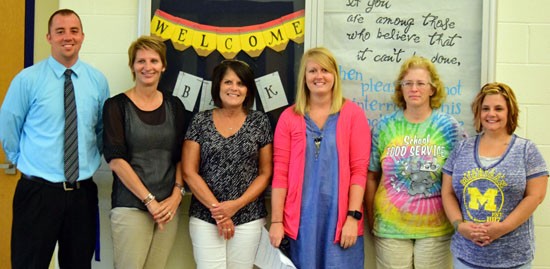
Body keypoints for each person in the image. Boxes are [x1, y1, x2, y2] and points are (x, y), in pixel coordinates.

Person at [0, 9, 109, 269]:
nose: (67, 37)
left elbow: (102, 130)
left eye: (73, 31)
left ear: (82, 36)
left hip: (82, 194)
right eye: (60, 31)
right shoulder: (27, 80)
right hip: (38, 193)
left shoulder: (97, 81)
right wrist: (22, 162)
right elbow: (9, 126)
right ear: (49, 37)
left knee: (78, 265)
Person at [269, 47, 371, 268]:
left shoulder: (353, 115)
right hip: (301, 225)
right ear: (304, 77)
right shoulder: (289, 118)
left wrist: (353, 218)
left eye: (325, 70)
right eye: (312, 70)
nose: (319, 76)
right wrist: (276, 221)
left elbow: (359, 172)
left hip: (341, 222)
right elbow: (280, 175)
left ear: (334, 75)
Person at [365, 55, 466, 269]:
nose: (414, 89)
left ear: (432, 89)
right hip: (390, 227)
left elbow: (464, 174)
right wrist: (372, 219)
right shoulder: (384, 126)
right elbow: (371, 175)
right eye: (408, 83)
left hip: (436, 228)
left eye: (421, 83)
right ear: (400, 89)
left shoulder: (449, 127)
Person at [102, 36, 191, 268]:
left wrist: (176, 196)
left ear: (163, 66)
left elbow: (183, 156)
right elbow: (116, 160)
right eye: (141, 61)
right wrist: (150, 201)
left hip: (168, 209)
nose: (147, 67)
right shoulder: (116, 106)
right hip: (131, 206)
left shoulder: (175, 106)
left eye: (153, 60)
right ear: (132, 66)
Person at [441, 82, 548, 269]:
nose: (491, 114)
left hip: (514, 258)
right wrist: (460, 225)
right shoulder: (461, 148)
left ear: (509, 112)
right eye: (485, 109)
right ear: (478, 113)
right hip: (467, 257)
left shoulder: (526, 150)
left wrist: (502, 228)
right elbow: (447, 192)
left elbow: (536, 196)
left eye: (499, 108)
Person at [181, 59, 273, 269]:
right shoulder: (200, 121)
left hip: (248, 217)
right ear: (218, 86)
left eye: (240, 83)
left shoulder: (259, 122)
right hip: (206, 217)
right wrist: (220, 213)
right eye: (228, 82)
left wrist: (235, 206)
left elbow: (265, 172)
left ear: (248, 90)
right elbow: (189, 171)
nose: (234, 88)